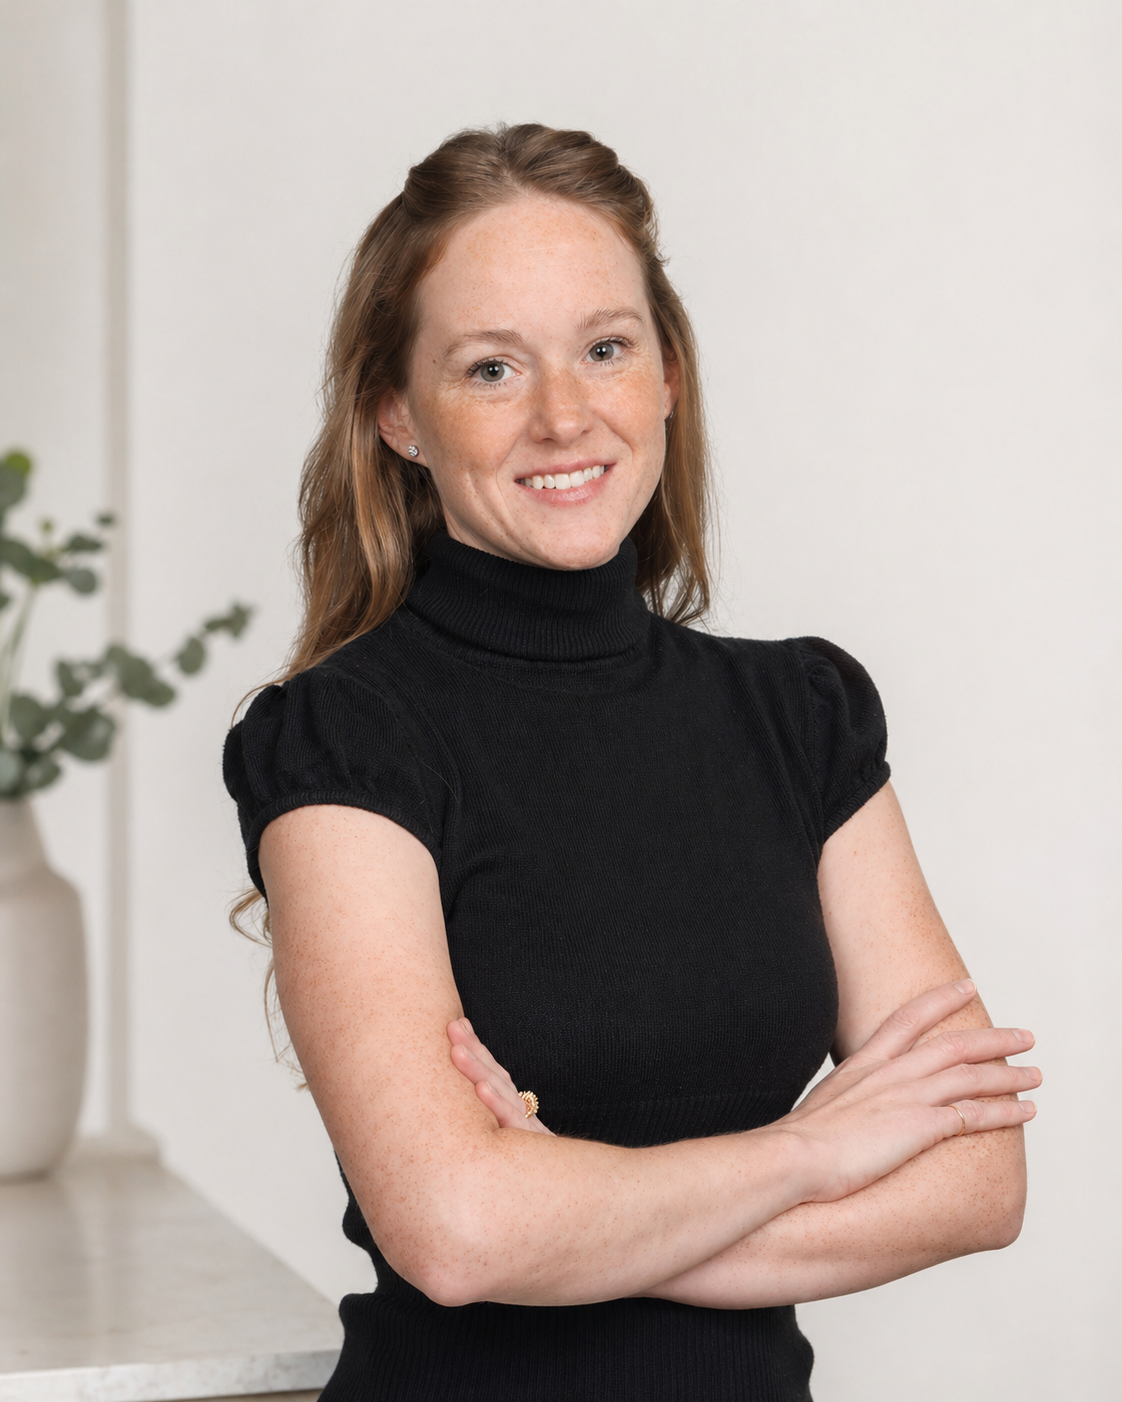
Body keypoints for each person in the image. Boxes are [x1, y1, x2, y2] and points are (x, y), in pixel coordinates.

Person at [223, 123, 1038, 1402]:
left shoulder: (801, 713)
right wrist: (806, 1153)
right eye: (491, 368)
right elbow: (455, 1232)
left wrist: (577, 1211)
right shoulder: (343, 740)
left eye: (606, 348)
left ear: (666, 375)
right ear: (398, 416)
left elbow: (978, 1181)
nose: (564, 415)